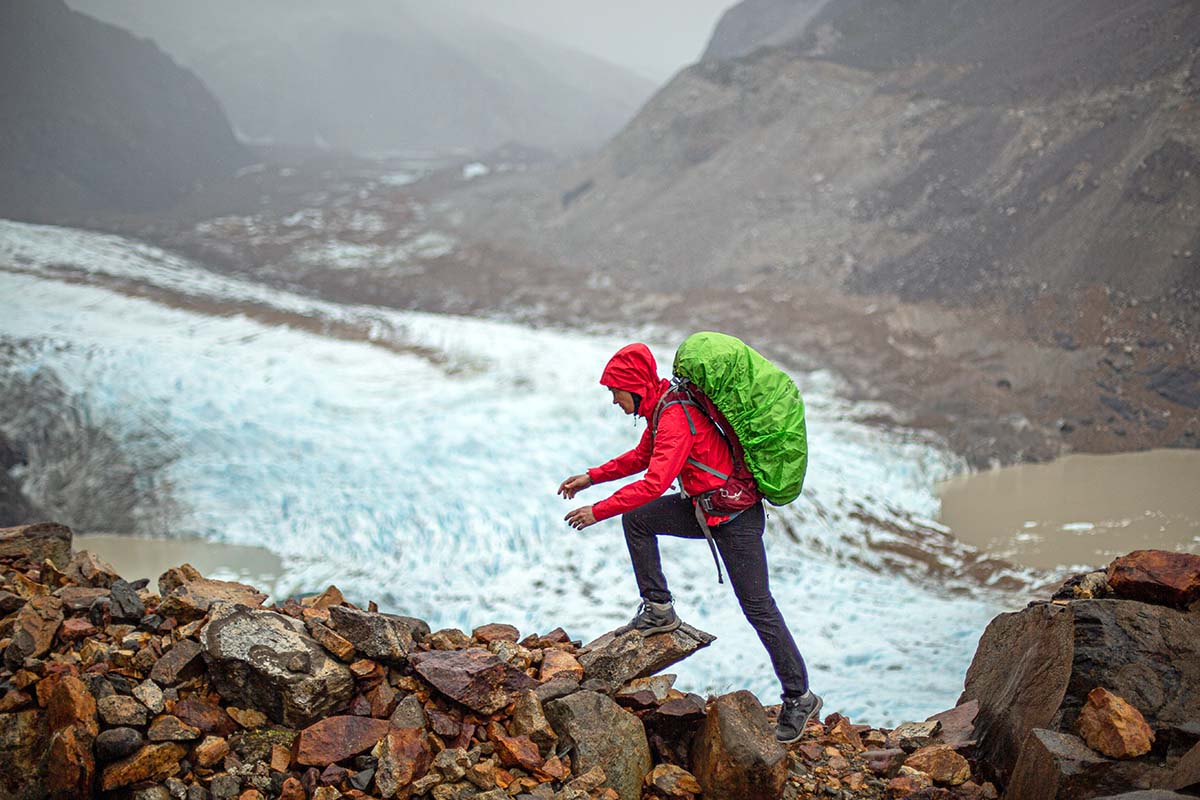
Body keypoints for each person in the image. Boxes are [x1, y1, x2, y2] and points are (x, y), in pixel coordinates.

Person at [558, 342, 822, 743]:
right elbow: (642, 457)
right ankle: (660, 609)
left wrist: (598, 510)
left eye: (615, 391)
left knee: (758, 606)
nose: (613, 400)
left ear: (635, 386)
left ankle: (800, 695)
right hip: (707, 508)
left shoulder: (675, 416)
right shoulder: (664, 409)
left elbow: (654, 482)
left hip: (734, 519)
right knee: (639, 521)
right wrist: (591, 477)